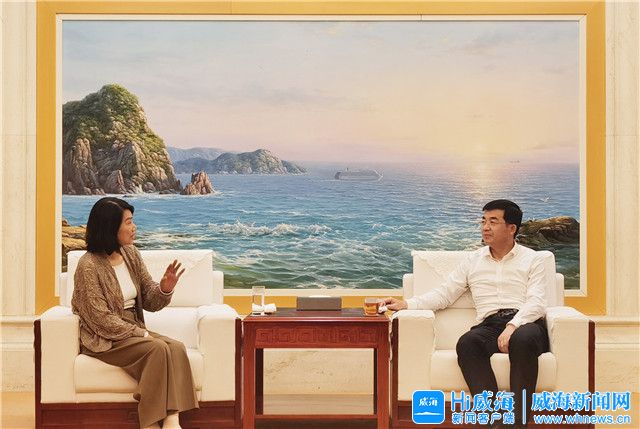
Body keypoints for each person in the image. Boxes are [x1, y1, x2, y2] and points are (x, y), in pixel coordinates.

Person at [382, 199, 549, 429]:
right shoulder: (473, 260)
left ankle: (518, 423)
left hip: (527, 323)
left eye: (493, 222)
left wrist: (513, 326)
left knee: (523, 338)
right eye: (483, 221)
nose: (485, 227)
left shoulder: (533, 259)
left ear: (512, 228)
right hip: (491, 324)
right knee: (468, 342)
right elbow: (445, 294)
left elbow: (537, 302)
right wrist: (407, 304)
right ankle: (494, 421)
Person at [71, 197, 198, 429]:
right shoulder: (88, 265)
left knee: (176, 348)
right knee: (157, 348)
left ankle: (172, 419)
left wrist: (165, 288)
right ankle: (149, 423)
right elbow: (100, 319)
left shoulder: (131, 254)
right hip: (104, 337)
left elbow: (149, 298)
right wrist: (139, 333)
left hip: (131, 328)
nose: (134, 227)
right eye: (128, 222)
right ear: (110, 227)